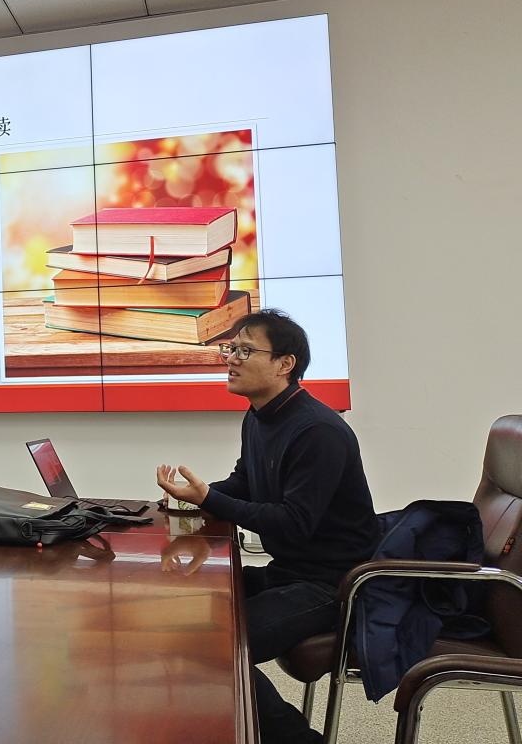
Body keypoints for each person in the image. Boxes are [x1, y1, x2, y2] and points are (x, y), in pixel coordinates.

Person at [156, 309, 379, 744]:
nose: (230, 359)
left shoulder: (318, 431)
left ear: (284, 364)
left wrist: (210, 499)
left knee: (215, 648)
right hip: (290, 571)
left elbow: (294, 523)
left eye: (244, 350)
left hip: (332, 584)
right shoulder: (259, 416)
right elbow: (245, 482)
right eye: (230, 349)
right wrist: (190, 498)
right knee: (182, 613)